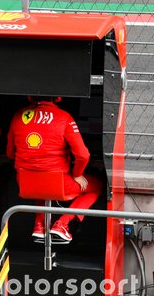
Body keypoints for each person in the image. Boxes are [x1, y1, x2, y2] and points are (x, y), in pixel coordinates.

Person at [7, 98, 102, 243]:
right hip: (59, 184)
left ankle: (39, 226)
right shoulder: (64, 117)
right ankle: (62, 224)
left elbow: (9, 153)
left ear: (29, 96)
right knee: (98, 186)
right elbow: (83, 155)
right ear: (58, 98)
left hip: (26, 183)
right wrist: (77, 174)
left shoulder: (18, 115)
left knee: (39, 181)